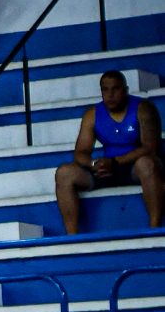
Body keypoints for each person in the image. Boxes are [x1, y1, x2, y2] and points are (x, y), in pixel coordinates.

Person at [55, 69, 164, 234]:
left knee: (147, 164)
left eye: (115, 89)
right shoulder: (92, 114)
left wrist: (115, 162)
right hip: (106, 170)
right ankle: (72, 237)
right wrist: (94, 164)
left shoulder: (143, 108)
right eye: (105, 90)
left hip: (134, 168)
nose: (110, 94)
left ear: (125, 90)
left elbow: (150, 148)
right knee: (64, 173)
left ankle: (155, 229)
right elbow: (80, 152)